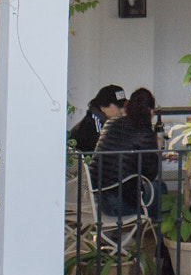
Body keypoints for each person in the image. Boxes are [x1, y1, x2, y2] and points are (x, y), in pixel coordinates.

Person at [93, 87, 161, 219]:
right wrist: (157, 151)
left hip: (98, 200)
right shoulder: (145, 132)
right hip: (119, 205)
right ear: (150, 112)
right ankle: (154, 234)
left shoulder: (111, 123)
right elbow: (150, 174)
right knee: (158, 188)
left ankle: (136, 231)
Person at [69, 84, 126, 153]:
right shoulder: (93, 123)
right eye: (119, 106)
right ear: (104, 106)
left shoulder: (101, 120)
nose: (122, 110)